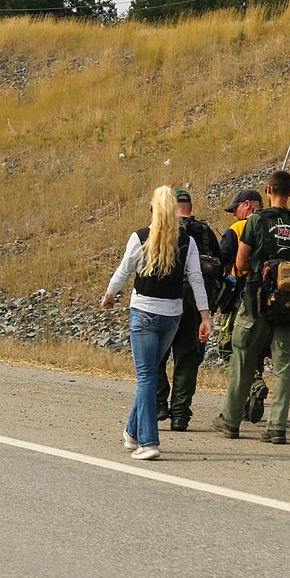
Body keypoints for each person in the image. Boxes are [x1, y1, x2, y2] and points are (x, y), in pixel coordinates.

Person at [102, 186, 212, 460]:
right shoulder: (187, 242)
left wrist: (110, 294)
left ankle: (149, 443)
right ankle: (132, 432)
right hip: (172, 315)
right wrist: (205, 315)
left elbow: (124, 270)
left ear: (152, 209)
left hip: (144, 312)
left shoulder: (140, 237)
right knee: (149, 375)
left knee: (147, 376)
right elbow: (196, 279)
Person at [213, 171, 290, 444]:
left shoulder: (256, 220)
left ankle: (231, 421)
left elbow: (242, 263)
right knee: (282, 366)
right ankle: (277, 427)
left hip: (256, 300)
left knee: (243, 357)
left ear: (268, 190)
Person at [155, 188, 221, 432]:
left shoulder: (160, 231)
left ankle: (159, 404)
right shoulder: (203, 232)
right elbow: (219, 265)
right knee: (188, 360)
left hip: (164, 301)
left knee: (157, 355)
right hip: (194, 303)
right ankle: (180, 414)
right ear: (190, 206)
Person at [215, 188, 270, 424]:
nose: (234, 215)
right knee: (255, 350)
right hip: (271, 297)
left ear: (246, 205)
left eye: (235, 208)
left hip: (243, 296)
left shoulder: (239, 228)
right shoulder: (275, 226)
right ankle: (249, 404)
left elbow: (221, 260)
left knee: (229, 346)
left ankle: (254, 385)